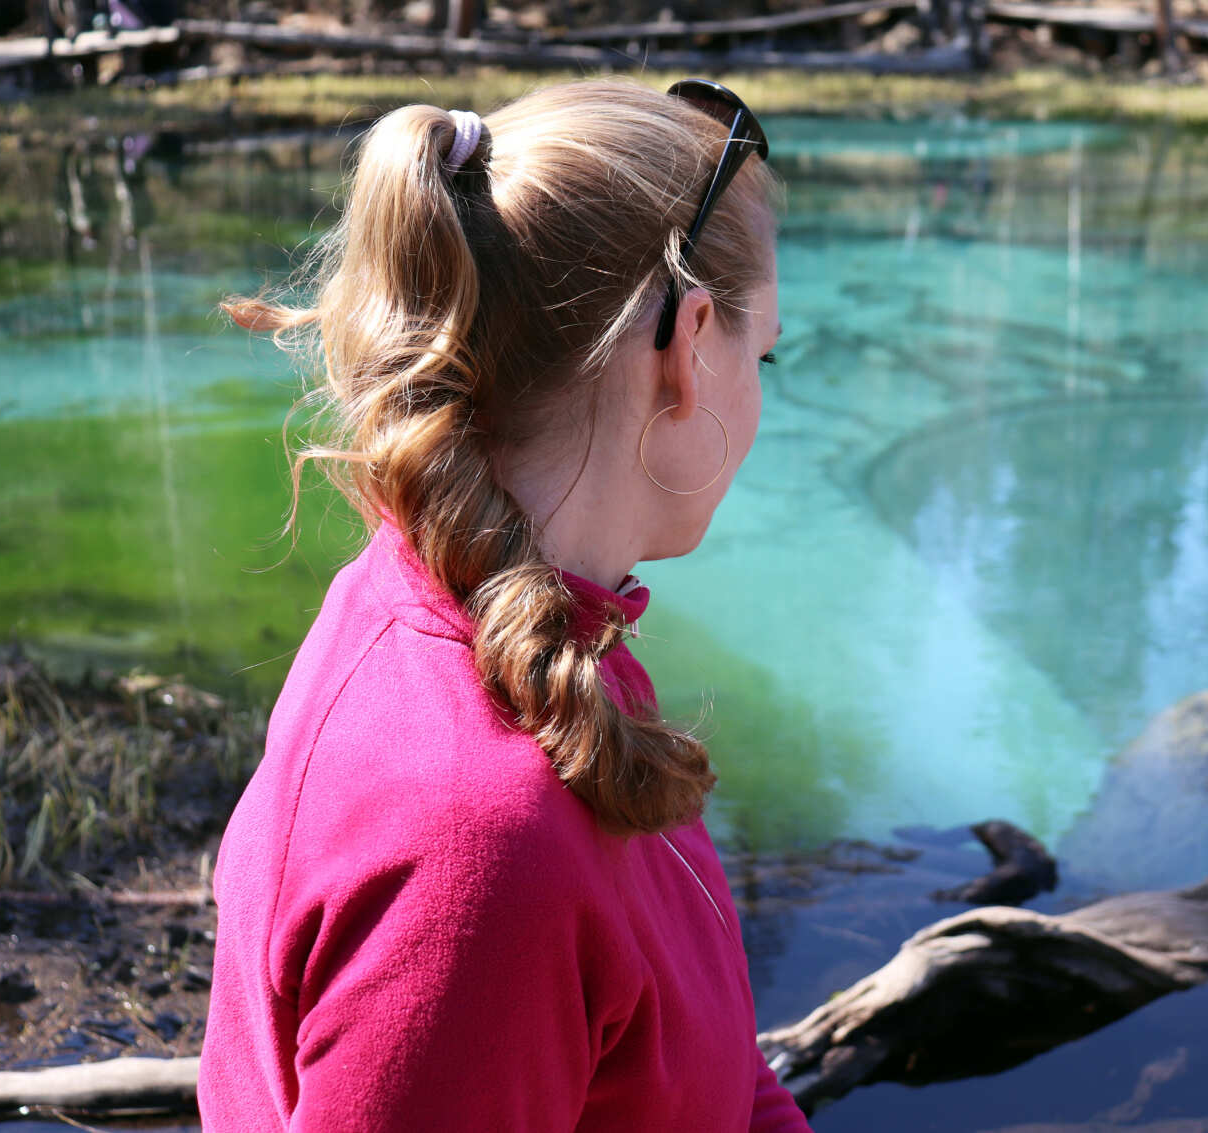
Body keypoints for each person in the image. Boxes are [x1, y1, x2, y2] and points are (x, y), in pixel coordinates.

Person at [197, 78, 809, 1132]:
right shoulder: (478, 851)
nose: (758, 391)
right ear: (688, 346)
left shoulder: (503, 622)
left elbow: (713, 1072)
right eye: (764, 356)